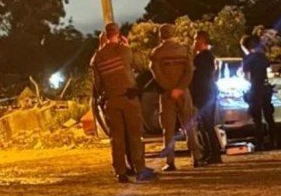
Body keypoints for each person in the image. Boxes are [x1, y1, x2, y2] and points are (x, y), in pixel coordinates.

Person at [90, 22, 153, 182]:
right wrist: (127, 45)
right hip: (129, 98)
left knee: (116, 138)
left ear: (105, 34)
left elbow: (97, 84)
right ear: (118, 34)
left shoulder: (97, 57)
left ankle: (120, 171)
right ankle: (140, 169)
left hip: (111, 100)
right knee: (135, 136)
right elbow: (139, 65)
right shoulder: (124, 50)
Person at [150, 24, 204, 171]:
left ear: (161, 36)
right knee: (189, 125)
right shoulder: (185, 50)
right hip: (183, 92)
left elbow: (156, 74)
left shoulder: (156, 53)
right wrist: (180, 88)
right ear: (174, 34)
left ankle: (170, 161)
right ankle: (196, 156)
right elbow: (189, 71)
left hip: (166, 95)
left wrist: (169, 88)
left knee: (168, 129)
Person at [191, 30, 223, 164]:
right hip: (208, 92)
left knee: (207, 125)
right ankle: (212, 152)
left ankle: (213, 153)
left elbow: (198, 77)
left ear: (202, 40)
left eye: (195, 40)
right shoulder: (208, 57)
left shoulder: (202, 58)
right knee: (205, 125)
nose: (194, 43)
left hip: (204, 94)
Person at [241, 34, 276, 150]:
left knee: (257, 118)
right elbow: (269, 70)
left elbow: (246, 76)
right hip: (266, 88)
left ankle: (260, 143)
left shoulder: (247, 59)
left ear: (244, 47)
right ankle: (274, 141)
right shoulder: (262, 56)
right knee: (269, 116)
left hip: (256, 89)